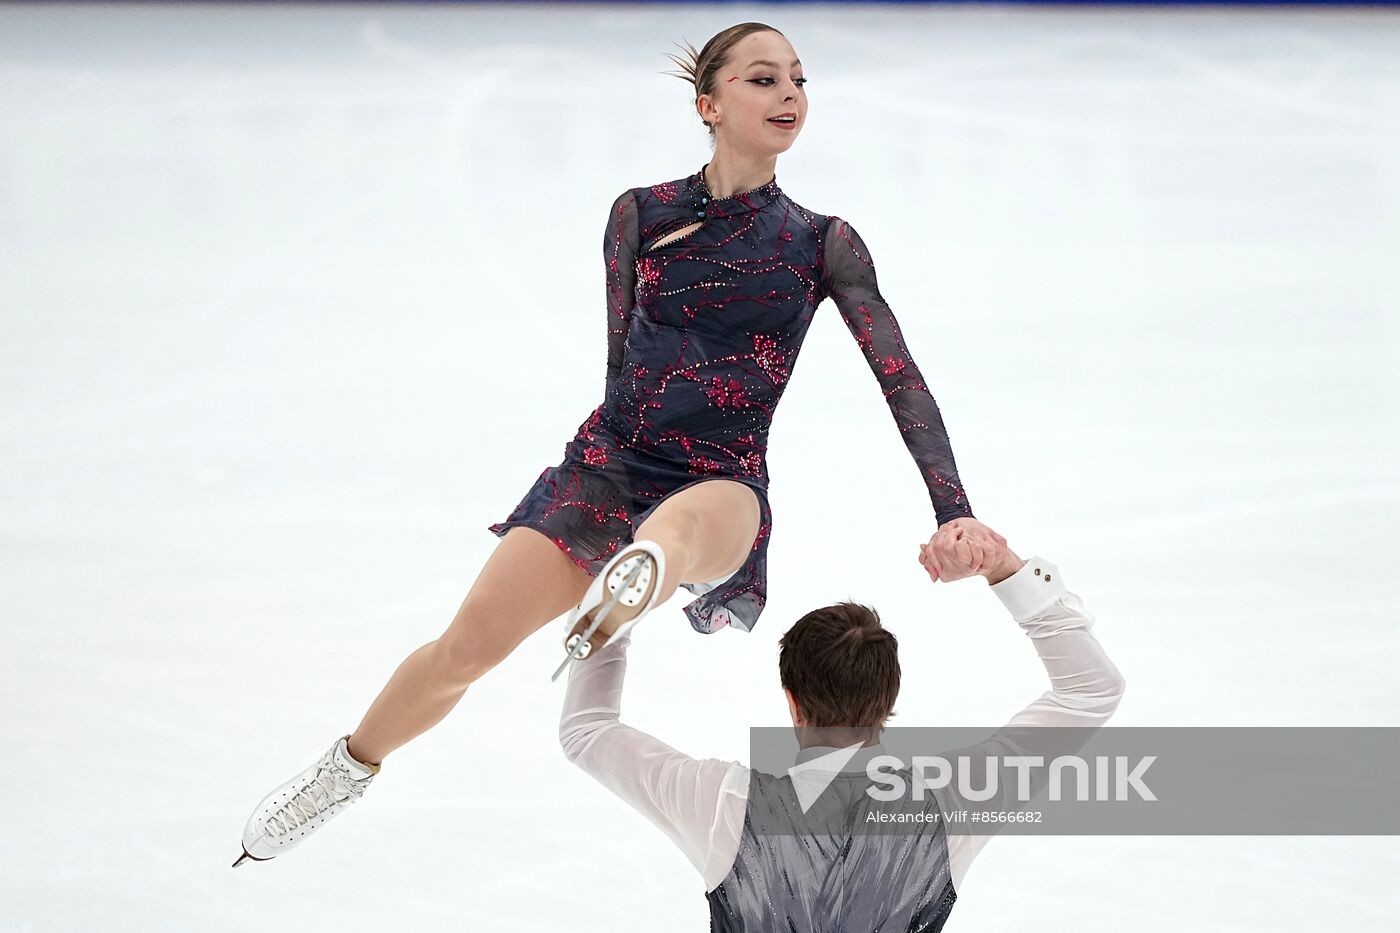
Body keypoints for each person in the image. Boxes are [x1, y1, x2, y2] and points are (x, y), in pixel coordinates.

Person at [233, 22, 1002, 867]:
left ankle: (626, 583)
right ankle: (346, 769)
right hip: (614, 459)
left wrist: (953, 511)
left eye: (797, 78)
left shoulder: (823, 244)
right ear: (709, 105)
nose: (790, 94)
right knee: (466, 647)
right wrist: (596, 473)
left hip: (723, 482)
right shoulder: (640, 214)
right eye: (762, 79)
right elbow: (619, 360)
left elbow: (899, 374)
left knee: (667, 538)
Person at [558, 523, 1126, 930]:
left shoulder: (722, 802)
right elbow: (1090, 692)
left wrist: (608, 614)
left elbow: (588, 731)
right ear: (890, 699)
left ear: (791, 701)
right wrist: (1003, 568)